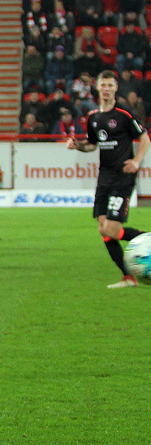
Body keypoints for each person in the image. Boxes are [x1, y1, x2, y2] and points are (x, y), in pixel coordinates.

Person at [65, 70, 151, 288]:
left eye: (110, 85)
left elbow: (145, 138)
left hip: (122, 177)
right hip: (104, 178)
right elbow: (92, 145)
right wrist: (78, 145)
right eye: (103, 85)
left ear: (115, 88)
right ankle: (128, 277)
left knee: (112, 230)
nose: (106, 89)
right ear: (97, 87)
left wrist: (136, 161)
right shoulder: (94, 117)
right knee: (103, 230)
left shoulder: (124, 114)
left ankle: (147, 238)